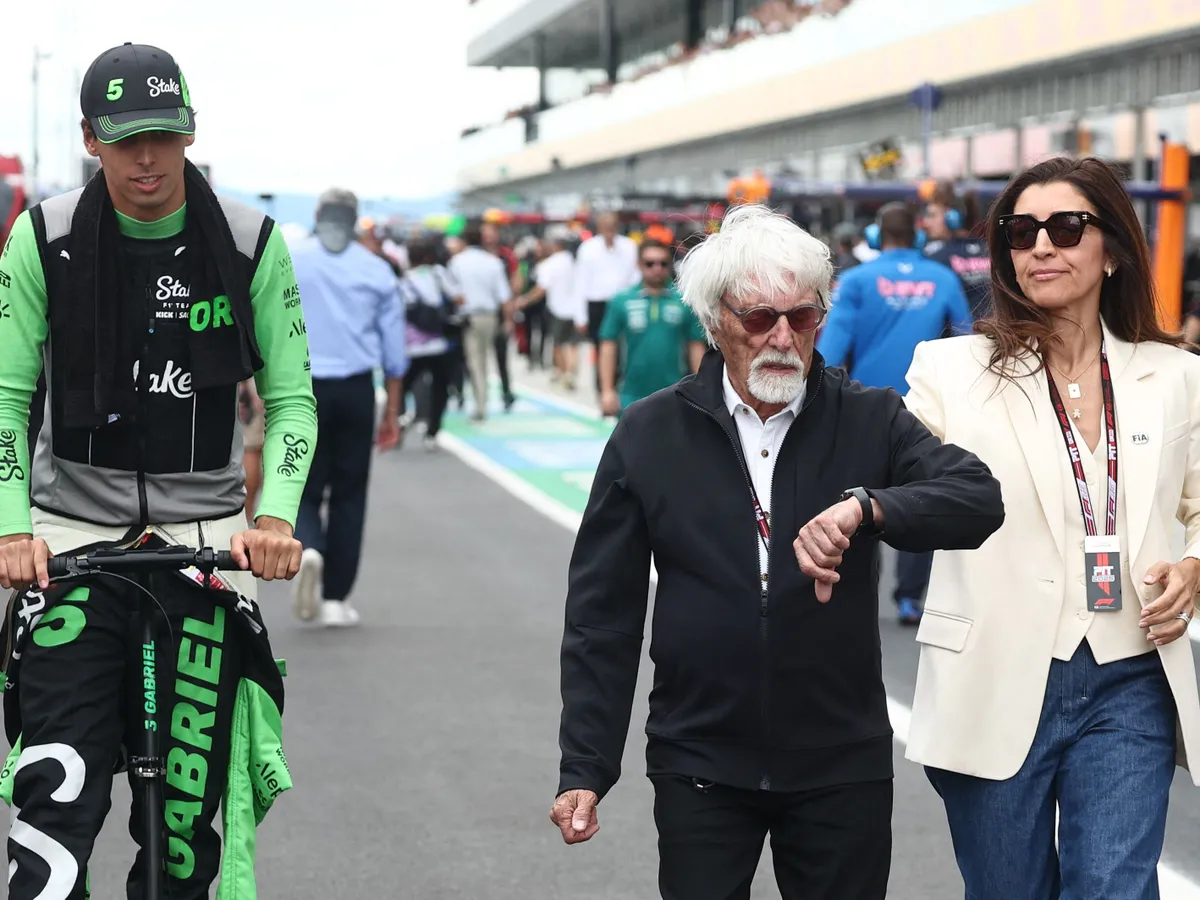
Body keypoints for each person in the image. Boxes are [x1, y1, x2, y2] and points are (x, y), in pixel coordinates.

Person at [550, 204, 1004, 900]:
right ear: (714, 321)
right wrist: (585, 765)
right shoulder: (649, 433)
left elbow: (976, 497)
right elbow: (601, 614)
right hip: (699, 759)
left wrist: (870, 506)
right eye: (761, 318)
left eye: (804, 316)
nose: (785, 338)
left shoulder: (868, 415)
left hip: (839, 762)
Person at [0, 42, 316, 900]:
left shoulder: (251, 242)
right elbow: (4, 396)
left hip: (208, 535)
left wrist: (276, 517)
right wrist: (11, 528)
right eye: (127, 138)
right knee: (54, 789)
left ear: (190, 133)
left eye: (165, 137)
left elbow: (291, 401)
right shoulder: (43, 238)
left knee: (182, 824)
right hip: (70, 533)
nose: (148, 159)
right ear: (90, 139)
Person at [903, 156, 1200, 899]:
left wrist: (1194, 563)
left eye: (1067, 228)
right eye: (1020, 231)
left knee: (1113, 889)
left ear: (1115, 250)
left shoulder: (1175, 375)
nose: (1042, 246)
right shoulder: (949, 371)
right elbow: (891, 472)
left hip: (1131, 672)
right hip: (994, 671)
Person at [818, 203, 972, 625]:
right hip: (927, 410)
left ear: (873, 237)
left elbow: (828, 354)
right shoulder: (942, 278)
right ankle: (909, 597)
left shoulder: (856, 281)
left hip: (866, 408)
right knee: (918, 500)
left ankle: (851, 591)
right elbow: (967, 340)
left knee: (856, 503)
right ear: (919, 237)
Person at [290, 188, 407, 628]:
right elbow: (394, 351)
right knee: (350, 493)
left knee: (301, 480)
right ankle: (336, 598)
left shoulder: (294, 259)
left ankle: (310, 546)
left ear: (319, 215)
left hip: (303, 385)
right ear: (355, 220)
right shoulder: (376, 269)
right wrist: (392, 411)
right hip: (357, 388)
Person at [597, 239, 707, 416]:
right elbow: (608, 345)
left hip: (675, 396)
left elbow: (696, 346)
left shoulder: (685, 301)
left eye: (663, 263)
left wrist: (704, 390)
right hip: (630, 396)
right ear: (639, 265)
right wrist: (607, 390)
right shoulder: (621, 301)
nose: (657, 268)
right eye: (650, 263)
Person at [400, 237, 460, 450]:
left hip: (412, 346)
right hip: (440, 343)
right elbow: (459, 298)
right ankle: (433, 431)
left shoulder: (403, 280)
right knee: (440, 388)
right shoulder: (438, 273)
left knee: (402, 385)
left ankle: (399, 418)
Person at [447, 226, 513, 421]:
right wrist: (508, 320)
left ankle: (480, 404)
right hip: (490, 316)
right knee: (487, 359)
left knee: (475, 362)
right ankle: (487, 399)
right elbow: (504, 295)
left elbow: (453, 293)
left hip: (469, 317)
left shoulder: (457, 262)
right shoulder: (493, 262)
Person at [575, 212, 640, 390]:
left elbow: (636, 275)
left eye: (612, 225)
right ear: (599, 227)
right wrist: (580, 316)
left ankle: (623, 385)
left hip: (623, 304)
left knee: (626, 347)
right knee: (602, 348)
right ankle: (603, 389)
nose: (609, 229)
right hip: (598, 305)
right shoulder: (588, 248)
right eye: (605, 225)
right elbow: (581, 282)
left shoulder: (628, 246)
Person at [516, 226, 585, 390]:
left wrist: (524, 300)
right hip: (577, 310)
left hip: (558, 309)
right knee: (573, 345)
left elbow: (541, 289)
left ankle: (563, 372)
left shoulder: (549, 264)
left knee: (559, 344)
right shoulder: (575, 261)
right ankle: (570, 372)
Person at [922, 181, 992, 319]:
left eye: (933, 215)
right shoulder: (992, 251)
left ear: (952, 218)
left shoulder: (936, 257)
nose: (927, 222)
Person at [483, 222, 519, 411]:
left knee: (502, 355)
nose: (489, 237)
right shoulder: (477, 255)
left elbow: (515, 278)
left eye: (491, 233)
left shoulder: (506, 255)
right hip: (481, 311)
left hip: (501, 310)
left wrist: (510, 311)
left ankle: (506, 392)